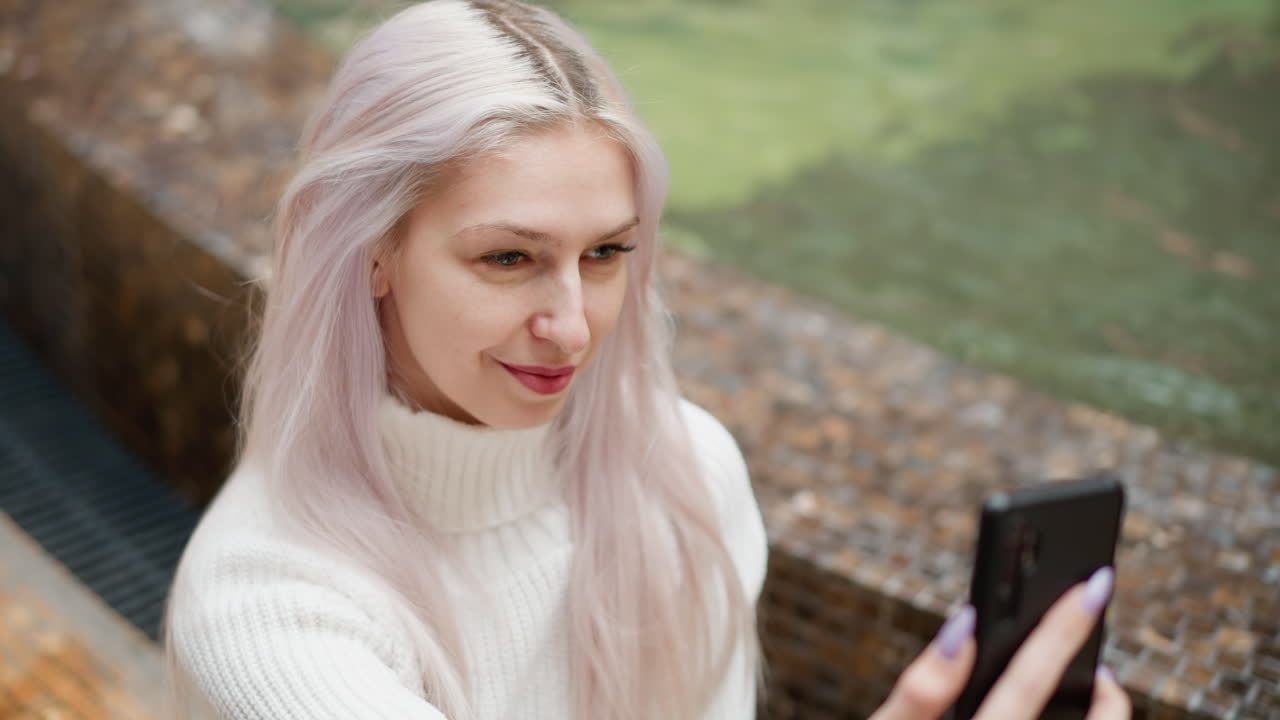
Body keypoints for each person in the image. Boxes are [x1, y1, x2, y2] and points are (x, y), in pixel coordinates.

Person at [162, 1, 1131, 719]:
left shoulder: (683, 474)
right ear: (366, 251)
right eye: (508, 257)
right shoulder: (269, 614)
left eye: (606, 254)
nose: (573, 327)